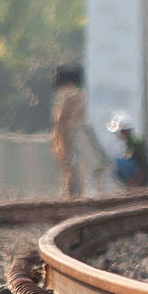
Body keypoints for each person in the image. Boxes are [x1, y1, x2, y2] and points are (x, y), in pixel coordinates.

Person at [50, 65, 86, 198]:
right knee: (75, 169)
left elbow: (61, 121)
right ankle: (76, 195)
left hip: (72, 138)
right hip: (78, 138)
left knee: (71, 168)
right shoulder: (81, 95)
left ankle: (73, 196)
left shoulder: (69, 96)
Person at [109, 115, 148, 188]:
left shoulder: (135, 142)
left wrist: (137, 181)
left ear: (124, 131)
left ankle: (132, 184)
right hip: (140, 175)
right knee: (118, 161)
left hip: (142, 176)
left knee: (118, 162)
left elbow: (143, 162)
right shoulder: (131, 141)